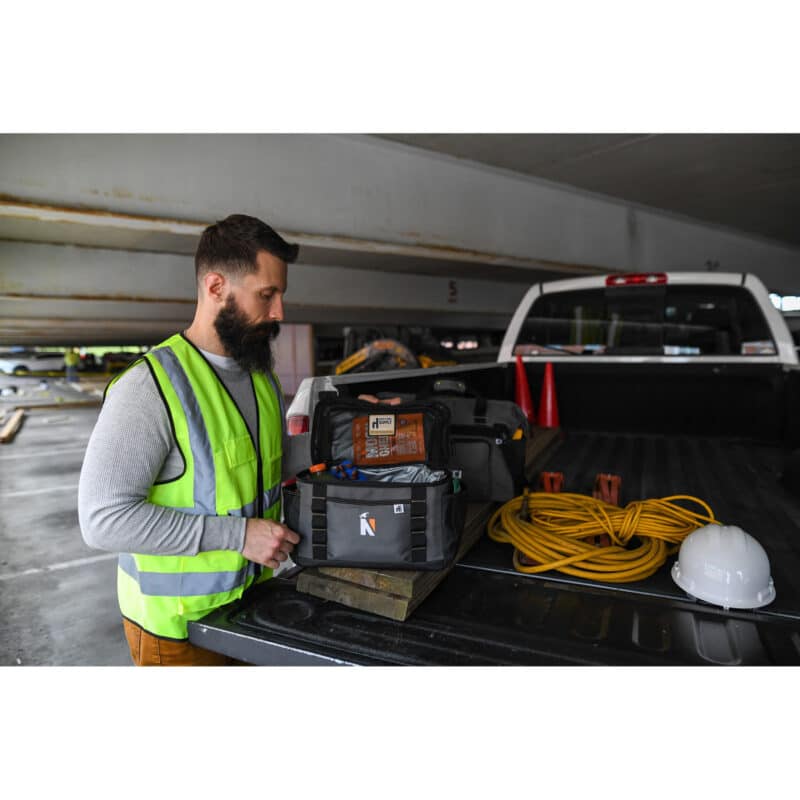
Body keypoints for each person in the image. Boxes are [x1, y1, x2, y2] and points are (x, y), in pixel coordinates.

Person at [79, 214, 303, 666]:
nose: (279, 312)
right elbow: (101, 520)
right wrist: (238, 535)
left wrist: (355, 432)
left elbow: (270, 466)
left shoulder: (260, 377)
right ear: (216, 286)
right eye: (267, 294)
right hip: (178, 631)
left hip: (250, 612)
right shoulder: (151, 387)